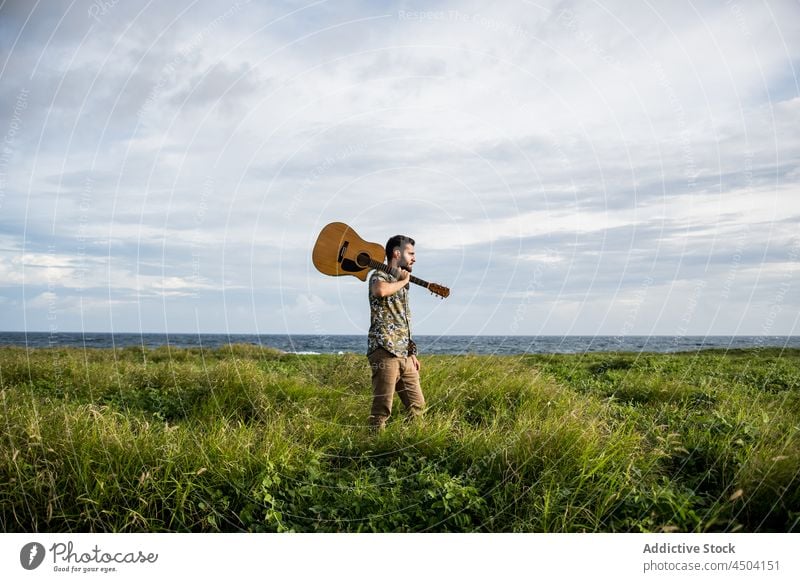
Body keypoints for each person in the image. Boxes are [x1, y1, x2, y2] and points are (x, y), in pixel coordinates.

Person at [366, 234, 425, 431]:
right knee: (381, 411)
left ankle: (412, 446)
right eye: (411, 253)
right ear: (397, 253)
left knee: (417, 407)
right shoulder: (379, 275)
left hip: (404, 354)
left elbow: (403, 320)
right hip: (385, 350)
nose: (414, 258)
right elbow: (380, 291)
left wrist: (412, 351)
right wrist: (403, 281)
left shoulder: (402, 283)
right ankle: (373, 451)